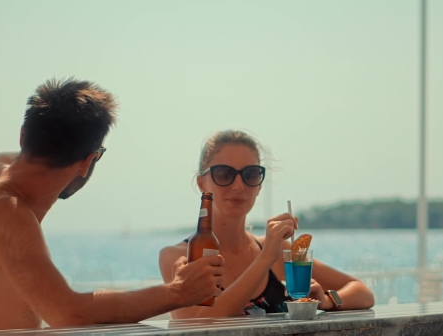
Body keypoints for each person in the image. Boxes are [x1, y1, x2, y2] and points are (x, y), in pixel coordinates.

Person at [0, 78, 224, 334]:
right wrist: (177, 292)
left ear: (23, 136)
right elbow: (69, 313)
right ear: (87, 162)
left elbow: (26, 161)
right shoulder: (4, 211)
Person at [158, 130, 374, 319]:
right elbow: (198, 324)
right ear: (201, 183)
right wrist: (265, 258)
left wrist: (326, 301)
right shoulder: (180, 257)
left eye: (251, 174)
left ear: (259, 185)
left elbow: (363, 292)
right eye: (224, 174)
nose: (239, 185)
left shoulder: (277, 250)